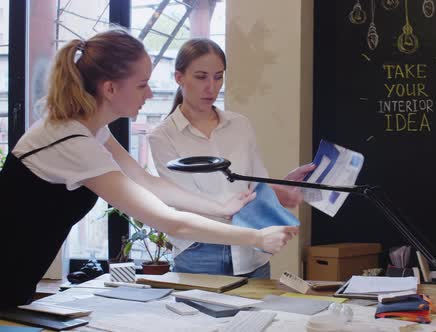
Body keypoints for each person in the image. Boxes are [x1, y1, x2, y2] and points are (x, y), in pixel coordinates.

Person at [0, 30, 298, 308]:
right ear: (110, 88)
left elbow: (146, 181)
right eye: (142, 85)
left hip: (17, 279)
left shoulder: (89, 129)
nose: (151, 94)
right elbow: (169, 221)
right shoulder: (71, 140)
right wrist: (255, 237)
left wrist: (218, 207)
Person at [148, 38, 315, 278]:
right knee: (198, 317)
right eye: (201, 77)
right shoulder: (163, 136)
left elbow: (255, 185)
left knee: (258, 315)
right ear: (179, 78)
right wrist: (258, 198)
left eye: (218, 76)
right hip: (199, 251)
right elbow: (188, 203)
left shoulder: (240, 125)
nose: (211, 87)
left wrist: (283, 187)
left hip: (250, 250)